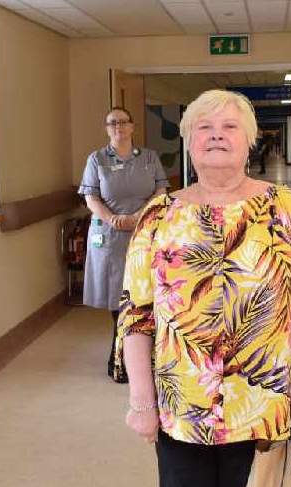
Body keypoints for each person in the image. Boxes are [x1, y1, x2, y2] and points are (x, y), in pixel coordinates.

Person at [117, 90, 291, 487]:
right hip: (181, 409)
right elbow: (136, 316)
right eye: (205, 128)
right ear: (190, 142)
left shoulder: (286, 209)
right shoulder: (158, 216)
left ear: (249, 141)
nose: (217, 135)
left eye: (229, 127)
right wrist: (140, 401)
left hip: (262, 404)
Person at [78, 106, 168, 383]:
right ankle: (119, 353)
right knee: (118, 295)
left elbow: (161, 191)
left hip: (145, 231)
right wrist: (114, 219)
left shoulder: (149, 157)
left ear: (132, 126)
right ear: (107, 129)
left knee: (145, 293)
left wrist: (140, 217)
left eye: (123, 122)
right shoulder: (97, 159)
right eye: (112, 123)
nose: (118, 127)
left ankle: (146, 354)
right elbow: (91, 196)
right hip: (111, 235)